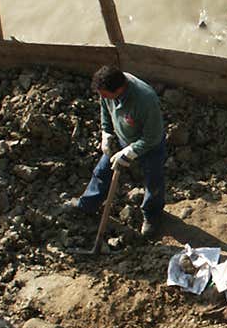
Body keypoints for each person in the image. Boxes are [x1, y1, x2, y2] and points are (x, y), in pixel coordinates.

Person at [71, 65, 167, 237]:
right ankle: (87, 205)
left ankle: (152, 215)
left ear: (120, 89)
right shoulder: (106, 90)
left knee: (154, 181)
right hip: (123, 138)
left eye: (105, 95)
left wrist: (130, 152)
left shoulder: (145, 100)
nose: (102, 97)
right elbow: (105, 109)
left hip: (150, 146)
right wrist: (106, 132)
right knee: (101, 171)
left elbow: (153, 136)